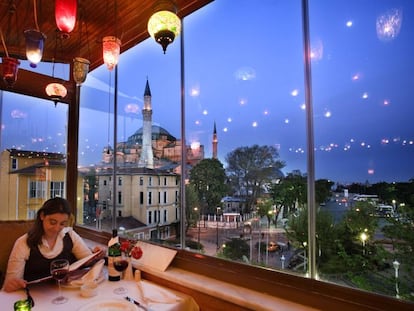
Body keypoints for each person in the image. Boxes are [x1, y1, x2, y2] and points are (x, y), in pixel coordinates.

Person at [2, 197, 104, 292]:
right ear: (42, 216)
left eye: (62, 223)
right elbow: (10, 283)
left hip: (66, 292)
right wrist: (13, 284)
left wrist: (96, 255)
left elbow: (86, 260)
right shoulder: (23, 243)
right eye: (52, 222)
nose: (57, 229)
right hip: (36, 297)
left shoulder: (69, 235)